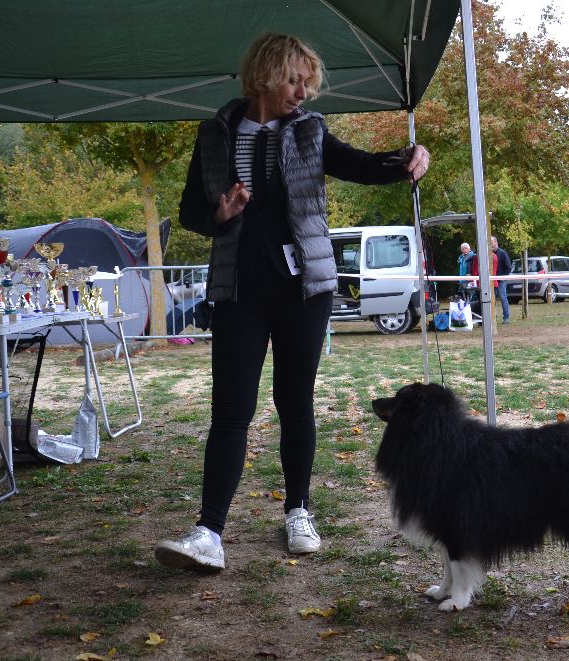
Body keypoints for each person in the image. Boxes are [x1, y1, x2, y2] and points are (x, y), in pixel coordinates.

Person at [155, 33, 431, 573]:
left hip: (305, 288)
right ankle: (209, 530)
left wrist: (405, 161)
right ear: (264, 76)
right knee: (231, 410)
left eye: (308, 83)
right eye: (294, 80)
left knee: (294, 400)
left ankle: (299, 509)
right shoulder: (215, 134)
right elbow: (189, 212)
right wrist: (220, 213)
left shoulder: (310, 131)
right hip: (239, 290)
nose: (303, 92)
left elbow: (357, 164)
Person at [491, 236, 512, 323]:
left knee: (503, 298)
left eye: (491, 242)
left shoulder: (503, 253)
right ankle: (493, 317)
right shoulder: (488, 254)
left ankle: (506, 317)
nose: (490, 245)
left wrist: (501, 277)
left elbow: (508, 267)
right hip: (491, 280)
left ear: (496, 243)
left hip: (500, 281)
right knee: (492, 299)